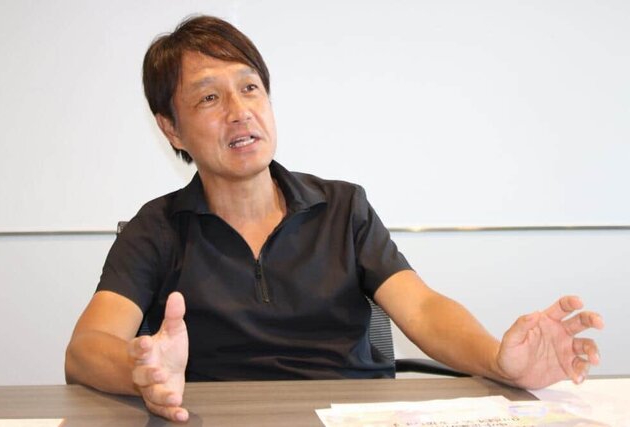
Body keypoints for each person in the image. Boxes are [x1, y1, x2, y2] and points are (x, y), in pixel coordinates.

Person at [64, 15, 604, 423]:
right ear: (172, 129)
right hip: (223, 416)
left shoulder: (344, 208)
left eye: (250, 87)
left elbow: (422, 308)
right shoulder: (157, 228)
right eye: (209, 97)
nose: (239, 111)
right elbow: (87, 347)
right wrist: (142, 374)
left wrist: (498, 361)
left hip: (353, 415)